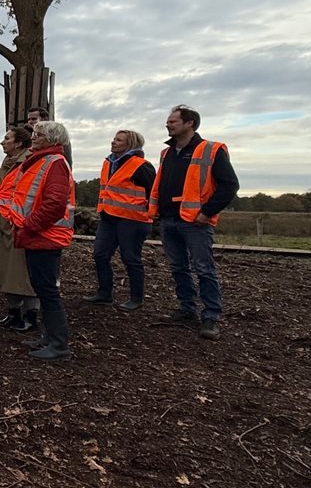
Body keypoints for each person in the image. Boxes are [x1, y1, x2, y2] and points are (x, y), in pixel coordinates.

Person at [147, 105, 239, 340]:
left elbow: (229, 185)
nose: (168, 125)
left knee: (204, 269)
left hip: (195, 222)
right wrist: (155, 209)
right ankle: (187, 309)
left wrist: (207, 213)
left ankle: (211, 316)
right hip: (169, 219)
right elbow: (161, 184)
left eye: (173, 121)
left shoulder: (211, 150)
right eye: (168, 121)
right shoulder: (166, 153)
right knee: (179, 267)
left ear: (190, 124)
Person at [9, 121, 76, 361]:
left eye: (38, 134)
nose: (33, 137)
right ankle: (50, 338)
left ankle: (59, 345)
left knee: (47, 291)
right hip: (38, 235)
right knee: (42, 288)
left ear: (51, 139)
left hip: (45, 236)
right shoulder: (43, 160)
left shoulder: (54, 163)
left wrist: (29, 225)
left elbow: (55, 204)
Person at [86, 129, 156, 310]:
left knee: (131, 258)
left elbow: (154, 193)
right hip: (109, 217)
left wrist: (151, 214)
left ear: (130, 144)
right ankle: (104, 294)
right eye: (114, 139)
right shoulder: (108, 163)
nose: (113, 142)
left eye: (119, 140)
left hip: (133, 220)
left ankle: (136, 298)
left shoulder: (142, 166)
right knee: (100, 255)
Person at [0, 126, 39, 331]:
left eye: (7, 138)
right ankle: (13, 313)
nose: (3, 142)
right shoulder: (8, 163)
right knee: (5, 269)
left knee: (21, 271)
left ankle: (30, 315)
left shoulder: (30, 162)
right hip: (1, 222)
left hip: (18, 223)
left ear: (19, 143)